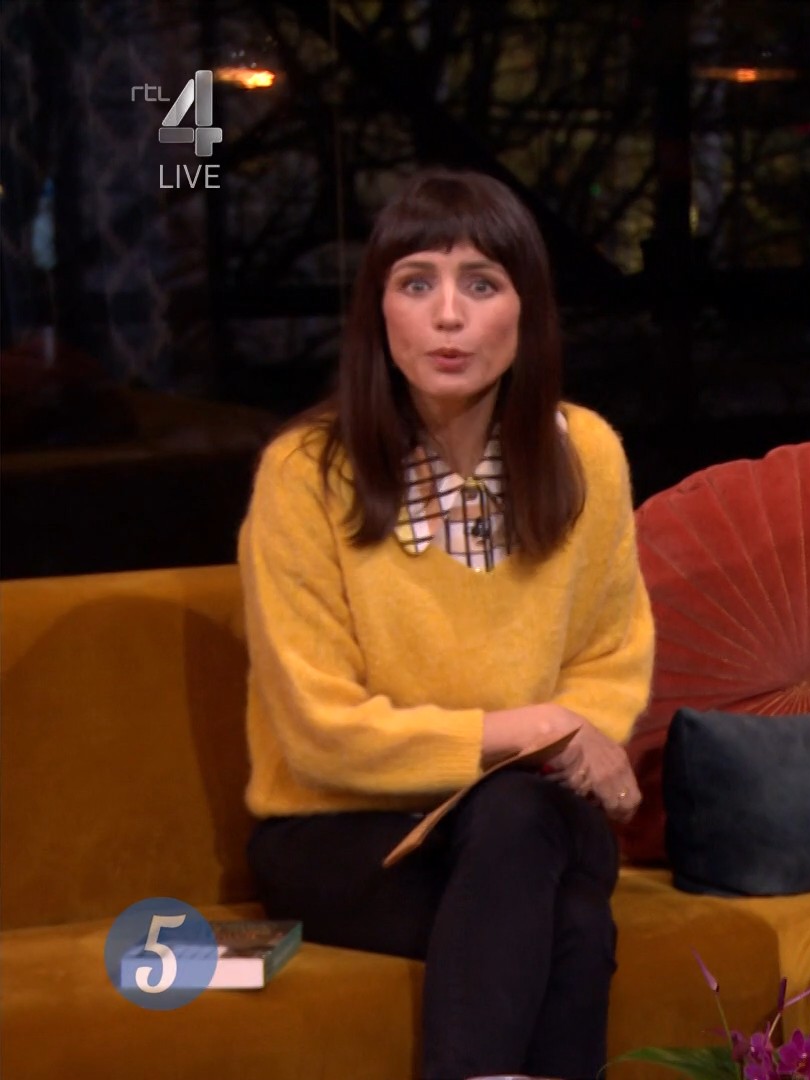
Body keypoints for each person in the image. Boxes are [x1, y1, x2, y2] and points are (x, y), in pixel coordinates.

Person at [240, 171, 654, 1080]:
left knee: (519, 820)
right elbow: (319, 730)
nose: (449, 316)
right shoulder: (305, 475)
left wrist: (561, 734)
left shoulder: (585, 453)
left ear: (526, 310)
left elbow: (610, 659)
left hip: (533, 818)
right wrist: (538, 728)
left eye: (482, 283)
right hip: (348, 836)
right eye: (417, 283)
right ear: (379, 311)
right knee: (573, 921)